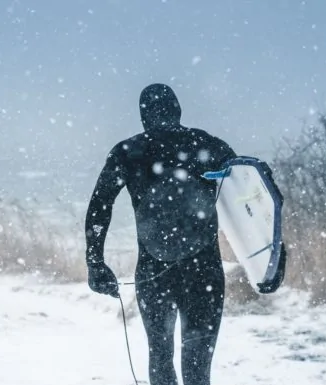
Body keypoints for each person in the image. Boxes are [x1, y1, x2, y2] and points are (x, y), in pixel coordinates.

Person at [84, 83, 237, 385]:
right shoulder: (207, 144)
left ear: (143, 115)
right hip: (203, 271)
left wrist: (95, 262)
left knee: (160, 357)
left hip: (154, 272)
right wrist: (272, 254)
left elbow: (100, 206)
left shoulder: (128, 152)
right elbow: (251, 189)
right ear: (178, 110)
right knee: (197, 370)